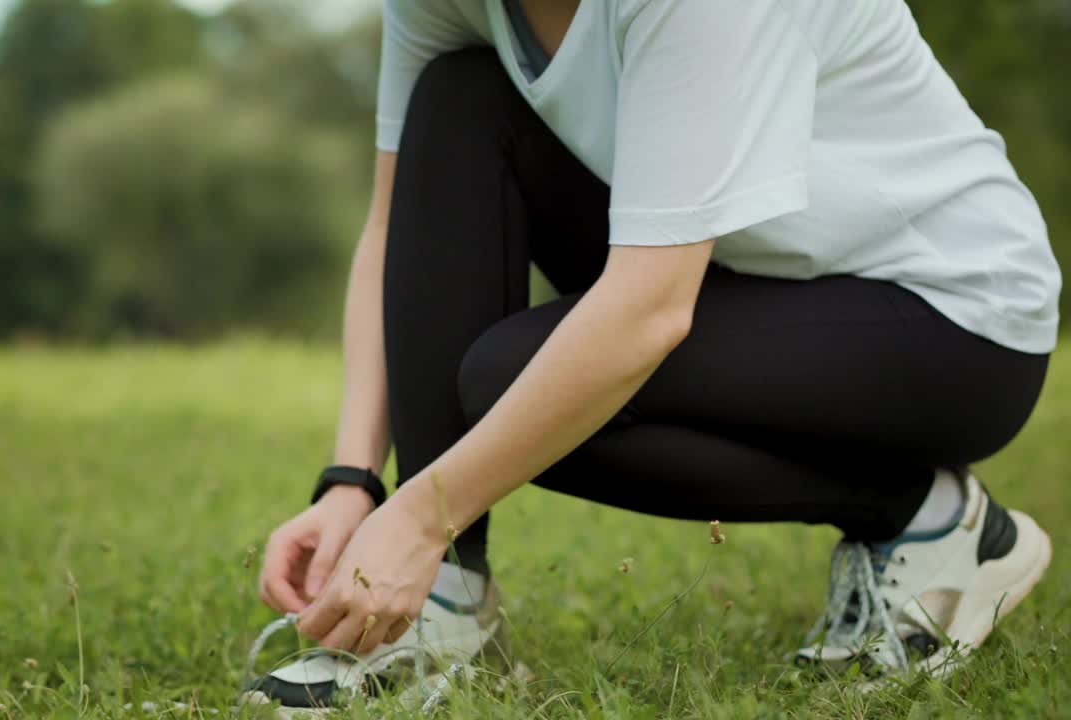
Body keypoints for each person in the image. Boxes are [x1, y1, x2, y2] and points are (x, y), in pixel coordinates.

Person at [243, 0, 1060, 711]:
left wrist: (420, 516)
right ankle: (440, 611)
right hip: (747, 273)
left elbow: (648, 312)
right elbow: (392, 232)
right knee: (461, 96)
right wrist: (352, 482)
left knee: (508, 384)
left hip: (951, 318)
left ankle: (931, 518)